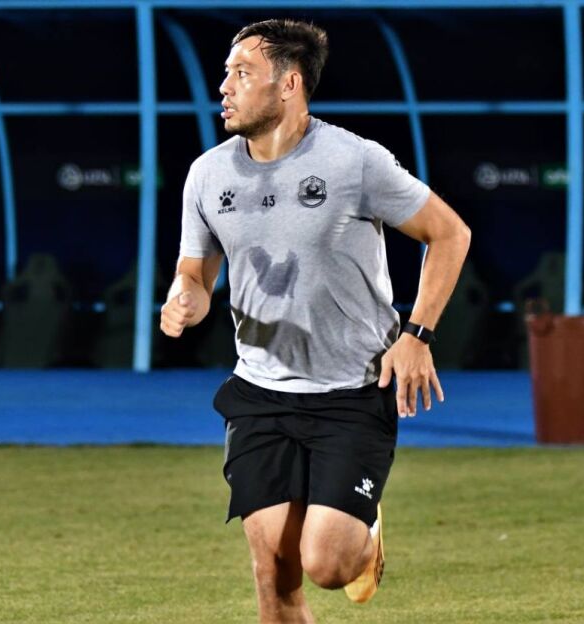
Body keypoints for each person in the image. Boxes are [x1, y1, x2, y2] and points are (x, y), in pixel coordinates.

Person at [160, 18, 471, 623]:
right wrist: (185, 297)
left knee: (326, 564)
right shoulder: (207, 174)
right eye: (226, 72)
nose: (224, 86)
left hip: (352, 392)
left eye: (242, 73)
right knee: (274, 570)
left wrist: (416, 335)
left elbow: (450, 233)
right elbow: (193, 273)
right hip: (260, 392)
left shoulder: (355, 161)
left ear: (289, 84)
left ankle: (365, 535)